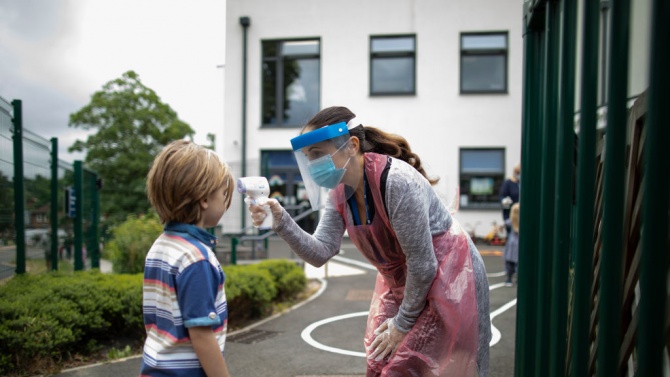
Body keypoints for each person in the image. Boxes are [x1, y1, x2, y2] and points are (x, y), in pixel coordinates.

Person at [246, 106, 491, 376]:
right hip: (407, 281)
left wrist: (401, 324)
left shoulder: (395, 181)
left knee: (436, 364)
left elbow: (423, 264)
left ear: (351, 145)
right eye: (308, 157)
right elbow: (320, 252)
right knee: (380, 362)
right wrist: (281, 220)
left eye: (317, 154)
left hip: (451, 275)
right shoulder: (339, 192)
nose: (313, 165)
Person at [141, 140, 234, 377]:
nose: (226, 202)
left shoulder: (161, 246)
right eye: (224, 194)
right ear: (204, 198)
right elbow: (202, 336)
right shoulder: (196, 259)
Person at [499, 163, 520, 236]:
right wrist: (505, 201)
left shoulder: (523, 183)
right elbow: (502, 196)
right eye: (518, 173)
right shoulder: (508, 183)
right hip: (511, 214)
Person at [503, 202, 520, 287]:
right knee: (519, 263)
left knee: (510, 263)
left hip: (511, 243)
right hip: (519, 244)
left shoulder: (510, 221)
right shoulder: (522, 221)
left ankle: (509, 279)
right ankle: (518, 279)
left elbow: (505, 223)